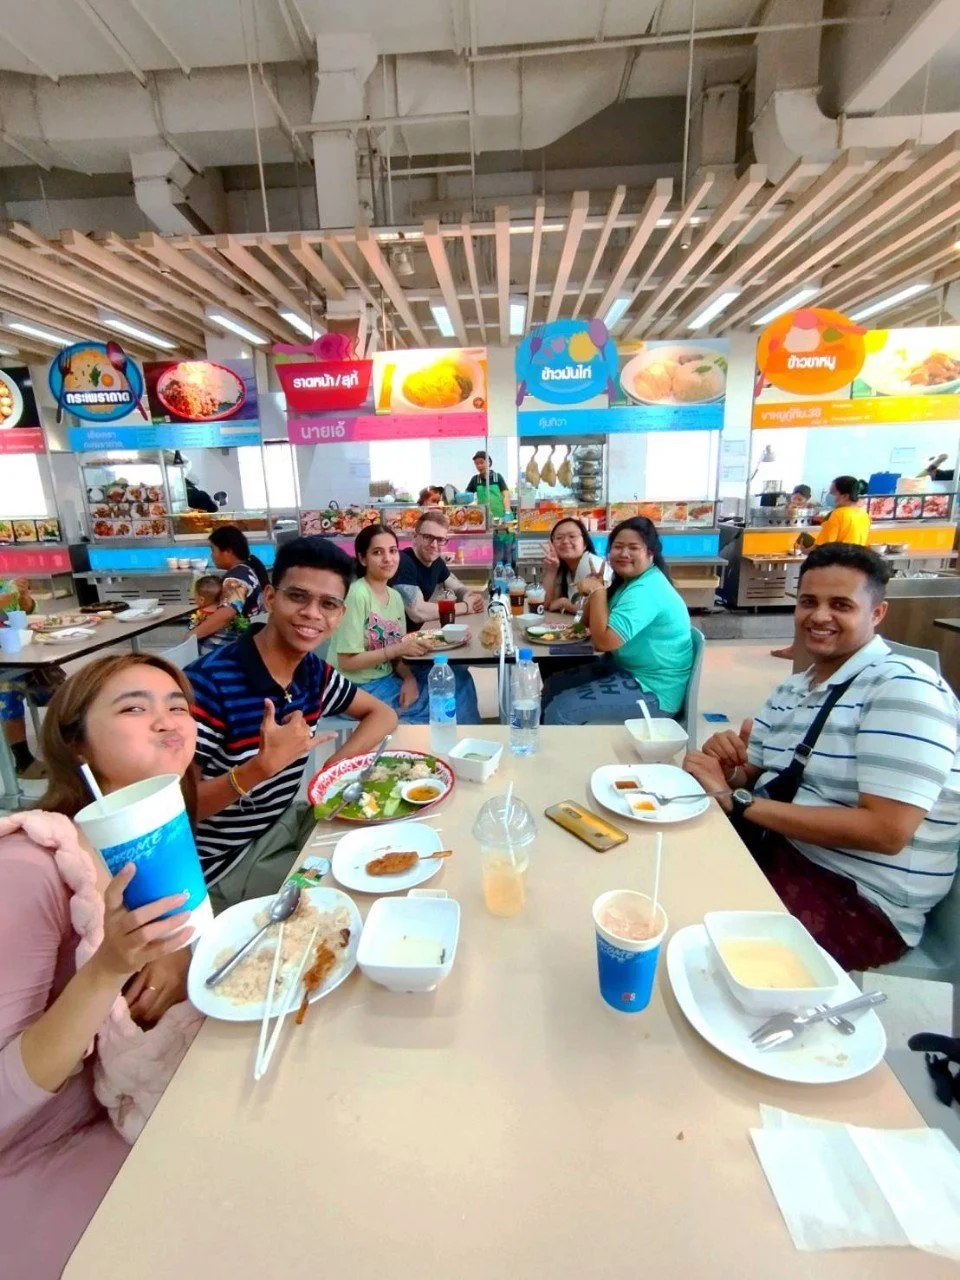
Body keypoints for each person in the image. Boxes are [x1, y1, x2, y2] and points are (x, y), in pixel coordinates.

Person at [1, 654, 203, 1278]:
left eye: (178, 706)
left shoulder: (150, 835)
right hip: (41, 1158)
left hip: (133, 1101)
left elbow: (174, 944)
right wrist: (107, 968)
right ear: (78, 746)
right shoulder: (27, 870)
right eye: (135, 708)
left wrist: (177, 953)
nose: (168, 721)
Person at [684, 543, 960, 972]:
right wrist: (727, 768)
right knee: (663, 871)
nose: (819, 616)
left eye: (840, 605)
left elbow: (887, 830)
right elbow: (754, 775)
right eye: (809, 602)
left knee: (693, 940)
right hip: (780, 850)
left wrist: (738, 800)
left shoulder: (904, 689)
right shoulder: (793, 687)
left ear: (877, 613)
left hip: (859, 898)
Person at [186, 536, 398, 907]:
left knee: (388, 839)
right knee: (357, 895)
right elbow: (177, 810)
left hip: (283, 822)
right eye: (298, 597)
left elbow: (383, 714)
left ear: (340, 615)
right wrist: (261, 767)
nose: (312, 613)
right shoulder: (207, 685)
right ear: (270, 598)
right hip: (227, 865)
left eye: (328, 604)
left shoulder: (312, 672)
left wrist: (333, 768)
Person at [542, 517, 693, 726]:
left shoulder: (646, 590)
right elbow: (585, 625)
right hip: (624, 669)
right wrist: (597, 589)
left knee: (560, 709)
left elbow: (603, 642)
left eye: (633, 548)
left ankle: (559, 746)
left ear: (650, 553)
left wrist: (597, 590)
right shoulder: (627, 583)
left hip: (654, 689)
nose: (624, 553)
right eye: (618, 547)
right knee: (553, 685)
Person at [327, 524, 432, 721]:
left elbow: (396, 655)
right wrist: (398, 649)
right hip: (354, 687)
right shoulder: (356, 595)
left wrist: (409, 679)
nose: (388, 559)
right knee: (438, 704)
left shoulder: (395, 597)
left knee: (458, 681)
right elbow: (347, 662)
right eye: (377, 552)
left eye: (393, 551)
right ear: (362, 559)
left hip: (385, 677)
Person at [389, 510, 485, 724]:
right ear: (415, 537)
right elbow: (417, 611)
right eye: (428, 537)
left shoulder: (436, 562)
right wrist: (465, 606)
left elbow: (459, 587)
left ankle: (461, 726)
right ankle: (464, 731)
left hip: (417, 645)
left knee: (459, 669)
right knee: (459, 679)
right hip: (400, 654)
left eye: (440, 539)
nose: (434, 544)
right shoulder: (404, 562)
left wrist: (469, 596)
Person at [772, 476, 871, 660]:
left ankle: (797, 649)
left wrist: (805, 549)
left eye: (833, 493)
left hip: (830, 569)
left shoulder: (838, 515)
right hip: (853, 569)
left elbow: (824, 547)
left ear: (844, 495)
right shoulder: (863, 514)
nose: (831, 497)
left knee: (809, 610)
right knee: (841, 612)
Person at [0, 575, 57, 777]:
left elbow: (26, 612)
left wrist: (24, 597)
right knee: (8, 684)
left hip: (14, 650)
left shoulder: (4, 584)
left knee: (51, 677)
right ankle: (23, 762)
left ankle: (72, 742)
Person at [191, 525, 270, 650]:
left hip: (236, 646)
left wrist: (191, 636)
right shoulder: (248, 569)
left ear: (228, 551)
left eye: (213, 550)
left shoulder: (235, 580)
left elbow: (226, 614)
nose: (212, 556)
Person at [542, 517, 612, 614]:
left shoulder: (591, 563)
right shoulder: (564, 568)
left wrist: (566, 604)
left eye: (572, 536)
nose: (565, 541)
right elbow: (544, 604)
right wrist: (551, 570)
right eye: (558, 538)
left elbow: (599, 611)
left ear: (585, 544)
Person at [465, 451, 510, 517]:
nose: (479, 466)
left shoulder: (497, 477)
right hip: (483, 518)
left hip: (500, 516)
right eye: (476, 464)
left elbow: (506, 495)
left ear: (488, 462)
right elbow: (466, 496)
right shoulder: (475, 479)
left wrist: (507, 512)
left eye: (481, 462)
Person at [188, 574, 224, 657]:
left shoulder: (198, 615)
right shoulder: (225, 612)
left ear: (201, 599)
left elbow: (192, 634)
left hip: (207, 652)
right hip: (228, 649)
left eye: (195, 596)